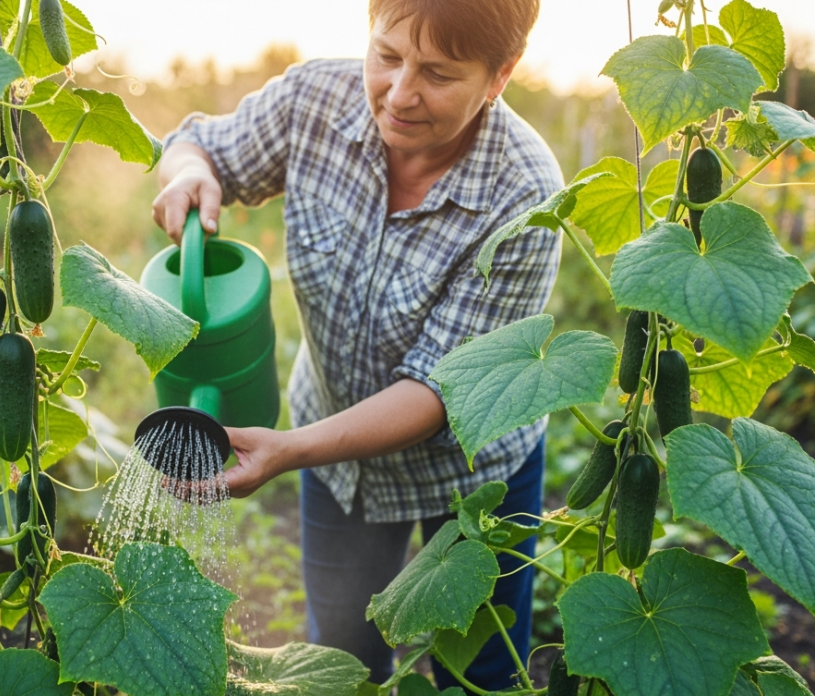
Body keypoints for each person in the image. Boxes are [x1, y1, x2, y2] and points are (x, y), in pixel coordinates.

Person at [152, 0, 560, 689]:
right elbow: (197, 144)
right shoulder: (312, 102)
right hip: (338, 455)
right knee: (343, 661)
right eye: (387, 56)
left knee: (482, 671)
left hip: (475, 469)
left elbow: (441, 391)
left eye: (438, 74)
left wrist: (288, 449)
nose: (399, 94)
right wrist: (189, 171)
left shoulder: (525, 195)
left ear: (500, 74)